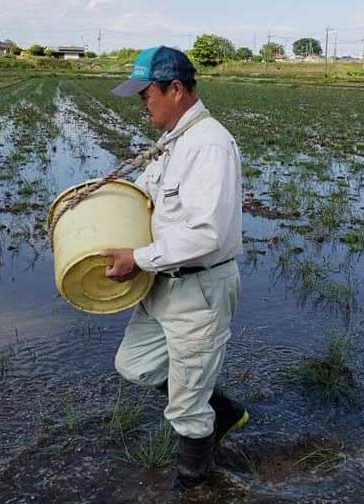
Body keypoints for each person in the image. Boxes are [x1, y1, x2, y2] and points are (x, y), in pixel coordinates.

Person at [102, 46, 248, 489]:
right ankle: (219, 409)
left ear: (176, 89)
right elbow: (144, 193)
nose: (142, 105)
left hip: (199, 289)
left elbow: (207, 234)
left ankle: (194, 483)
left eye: (146, 95)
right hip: (163, 282)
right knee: (135, 364)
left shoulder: (210, 146)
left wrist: (138, 258)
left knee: (185, 408)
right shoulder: (175, 142)